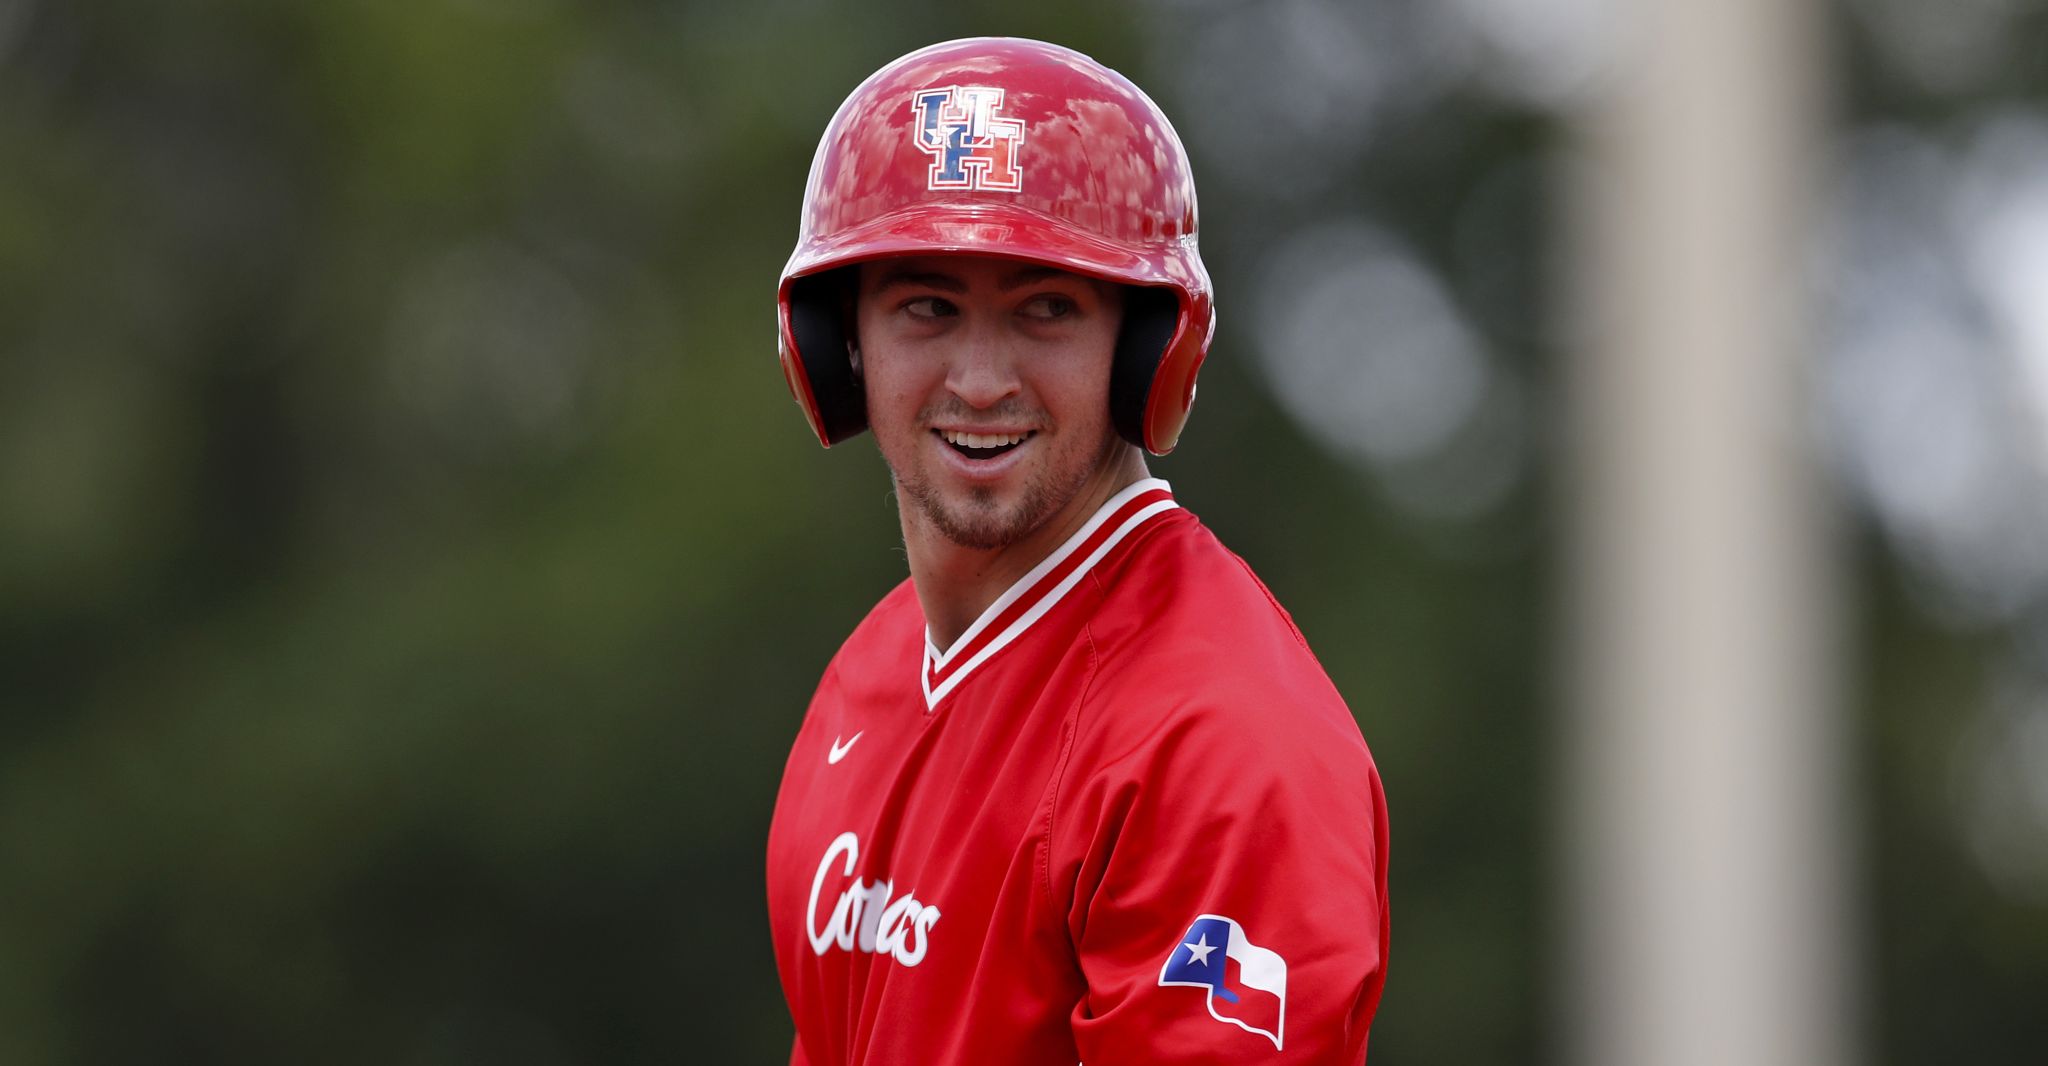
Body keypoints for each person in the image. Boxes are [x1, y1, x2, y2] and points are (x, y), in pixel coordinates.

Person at [764, 36, 1389, 1064]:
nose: (977, 378)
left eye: (1042, 308)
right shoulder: (867, 675)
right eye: (927, 306)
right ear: (839, 345)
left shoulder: (1217, 741)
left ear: (1147, 348)